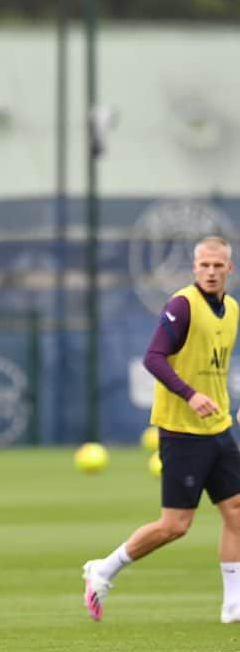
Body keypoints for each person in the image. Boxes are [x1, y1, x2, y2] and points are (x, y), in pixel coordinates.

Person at [83, 236, 240, 624]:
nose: (210, 271)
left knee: (237, 512)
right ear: (194, 267)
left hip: (218, 428)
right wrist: (190, 395)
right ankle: (103, 569)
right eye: (204, 265)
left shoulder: (232, 309)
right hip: (182, 431)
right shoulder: (182, 305)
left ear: (229, 269)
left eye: (218, 265)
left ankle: (233, 604)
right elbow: (154, 357)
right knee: (175, 526)